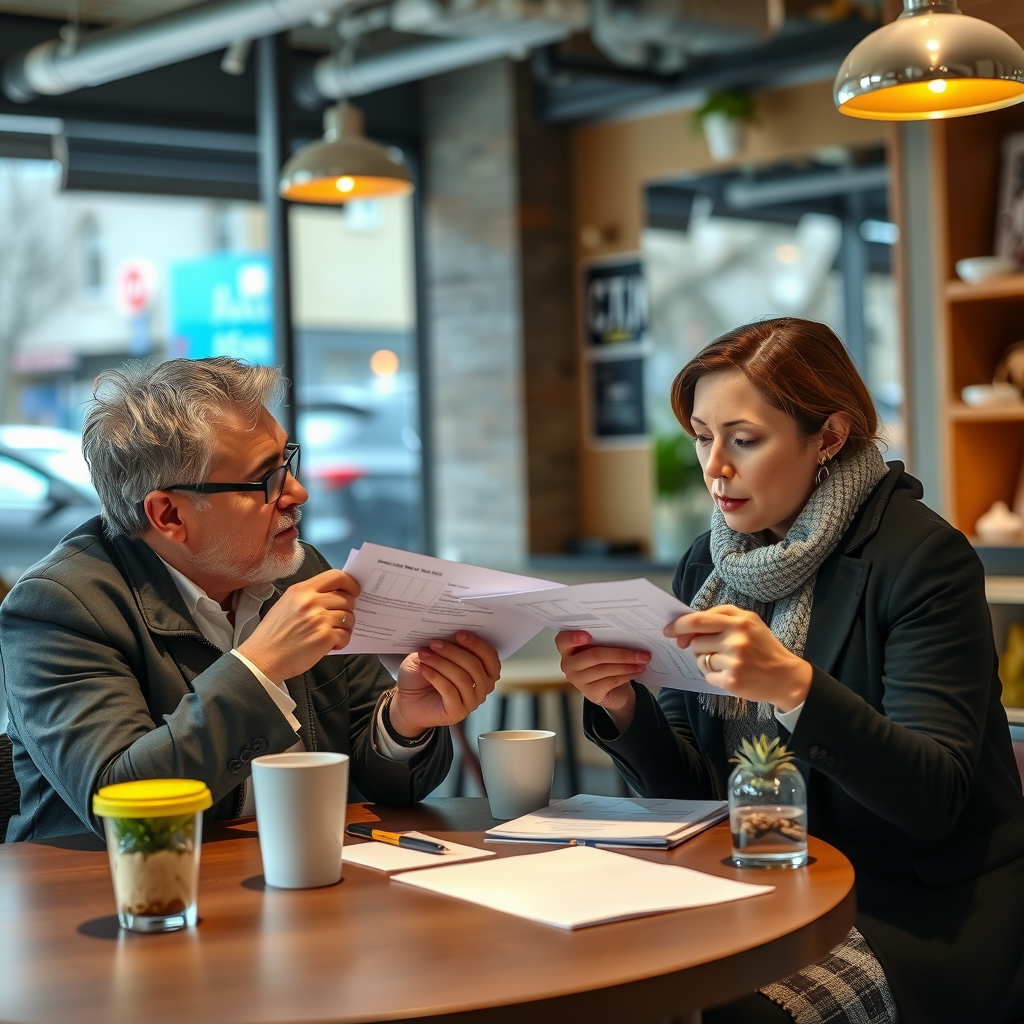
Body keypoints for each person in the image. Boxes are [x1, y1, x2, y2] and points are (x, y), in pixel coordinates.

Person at [557, 319, 1024, 1024]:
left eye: (743, 440)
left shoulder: (923, 560)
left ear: (829, 436)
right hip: (758, 881)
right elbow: (697, 800)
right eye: (702, 436)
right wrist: (625, 707)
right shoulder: (708, 564)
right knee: (590, 981)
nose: (714, 467)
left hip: (910, 910)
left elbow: (933, 798)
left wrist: (793, 687)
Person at [1, 358, 500, 842]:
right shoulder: (59, 607)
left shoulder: (297, 568)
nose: (298, 492)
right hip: (112, 889)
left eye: (287, 461)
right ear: (169, 515)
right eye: (266, 478)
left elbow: (384, 783)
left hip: (296, 871)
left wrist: (404, 722)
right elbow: (122, 806)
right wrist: (260, 666)